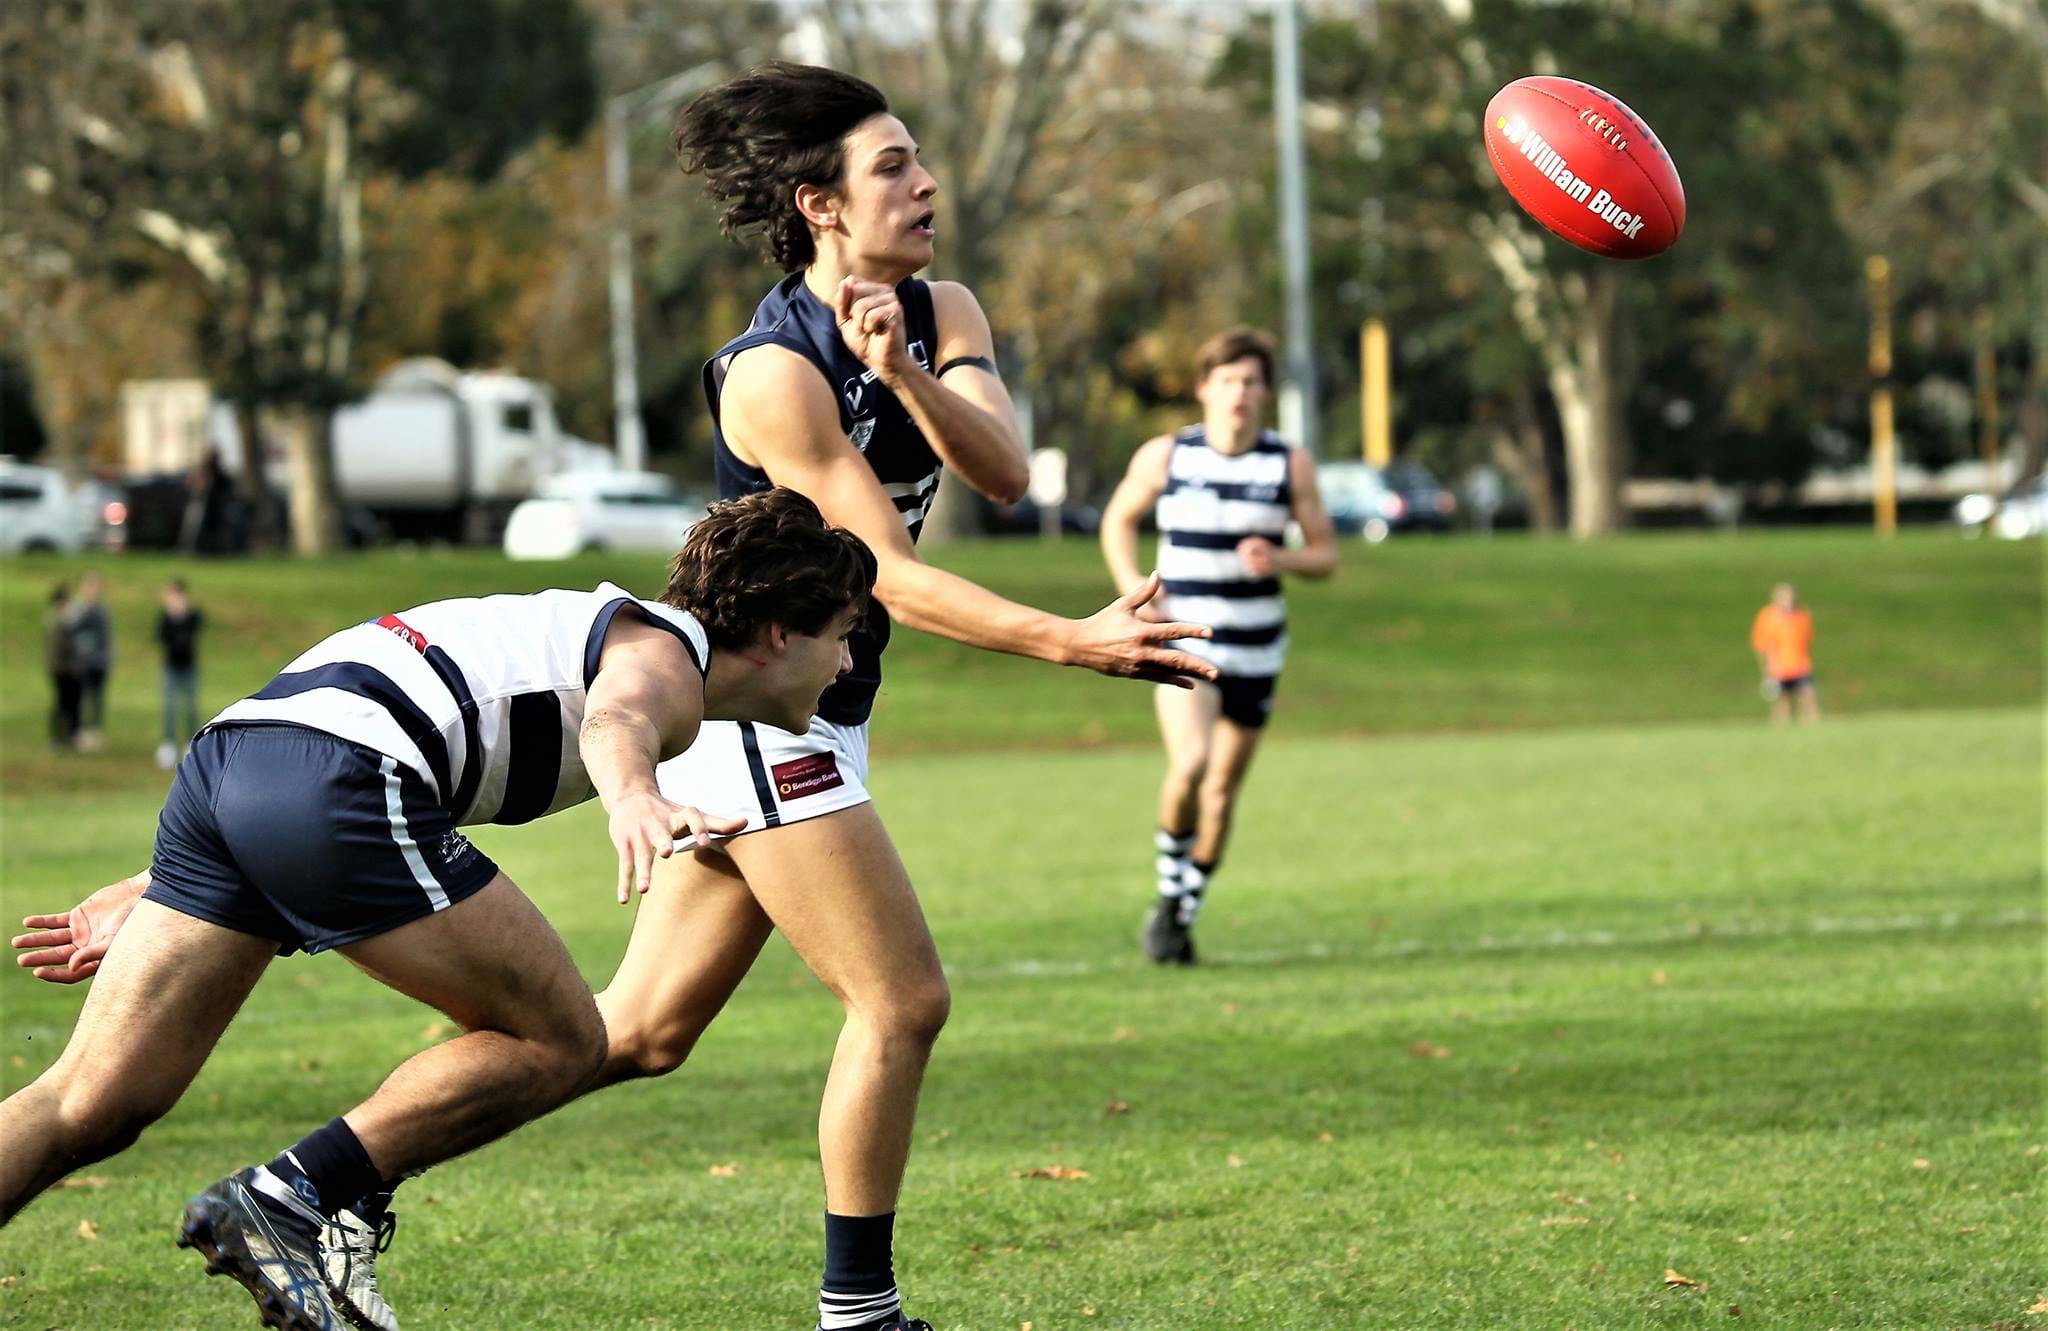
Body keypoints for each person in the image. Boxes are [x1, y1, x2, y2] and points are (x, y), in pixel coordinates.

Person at [18, 64, 1213, 1331]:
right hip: (749, 705)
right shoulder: (770, 371)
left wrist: (910, 372)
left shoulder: (943, 308)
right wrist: (1068, 640)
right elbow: (885, 575)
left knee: (636, 1032)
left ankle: (328, 1181)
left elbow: (1007, 474)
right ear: (816, 204)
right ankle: (854, 1313)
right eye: (893, 166)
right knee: (901, 999)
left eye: (918, 160)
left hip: (725, 707)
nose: (925, 184)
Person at [2, 489, 875, 1331]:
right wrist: (635, 796)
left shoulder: (617, 630)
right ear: (779, 633)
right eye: (841, 636)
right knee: (565, 1039)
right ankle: (289, 1196)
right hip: (338, 777)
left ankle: (299, 1196)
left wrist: (164, 882)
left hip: (234, 765)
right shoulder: (669, 662)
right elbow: (617, 718)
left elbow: (306, 739)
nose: (844, 665)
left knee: (91, 1100)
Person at [1100, 327, 1339, 964]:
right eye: (1228, 380)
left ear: (1266, 393)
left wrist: (1282, 559)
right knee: (1192, 765)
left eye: (1251, 382)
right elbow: (1118, 519)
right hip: (1188, 641)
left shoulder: (1288, 463)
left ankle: (1182, 910)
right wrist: (1133, 587)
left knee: (1222, 793)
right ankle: (1168, 895)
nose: (1240, 393)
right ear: (1205, 388)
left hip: (1258, 651)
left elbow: (1326, 556)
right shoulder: (1168, 456)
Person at [1751, 582, 1820, 725]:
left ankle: (1814, 729)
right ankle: (1780, 731)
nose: (1788, 600)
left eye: (1790, 596)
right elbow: (1762, 645)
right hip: (1779, 667)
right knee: (1782, 702)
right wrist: (1767, 671)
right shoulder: (1767, 616)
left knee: (1808, 697)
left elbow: (1808, 640)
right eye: (1784, 597)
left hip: (1801, 664)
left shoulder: (1802, 614)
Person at [156, 578, 204, 768]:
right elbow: (163, 638)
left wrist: (181, 616)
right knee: (170, 706)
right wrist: (172, 617)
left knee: (191, 705)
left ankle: (191, 742)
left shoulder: (192, 616)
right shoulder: (164, 618)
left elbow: (192, 634)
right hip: (171, 667)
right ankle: (168, 743)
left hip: (189, 666)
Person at [67, 570, 111, 752]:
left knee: (97, 699)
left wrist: (105, 657)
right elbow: (71, 632)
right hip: (82, 663)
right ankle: (80, 733)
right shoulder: (77, 609)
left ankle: (95, 732)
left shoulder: (102, 611)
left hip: (98, 662)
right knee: (81, 698)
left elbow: (106, 637)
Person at [45, 582, 81, 750]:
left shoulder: (64, 619)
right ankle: (58, 737)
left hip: (69, 668)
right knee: (61, 704)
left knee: (72, 703)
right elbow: (60, 648)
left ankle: (71, 734)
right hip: (61, 669)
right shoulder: (56, 621)